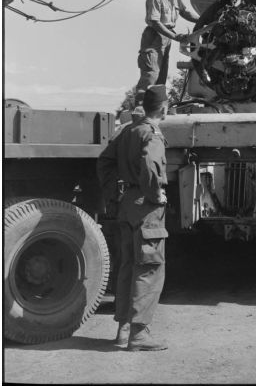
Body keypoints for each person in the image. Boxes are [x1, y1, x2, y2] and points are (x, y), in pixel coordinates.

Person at [97, 85, 170, 351]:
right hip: (145, 208)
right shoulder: (152, 134)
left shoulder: (127, 130)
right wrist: (155, 194)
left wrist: (113, 197)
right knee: (148, 268)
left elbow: (104, 162)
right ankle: (139, 335)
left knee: (128, 265)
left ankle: (123, 329)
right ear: (163, 108)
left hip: (127, 203)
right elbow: (151, 165)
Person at [135, 0, 199, 106]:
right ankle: (139, 110)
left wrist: (203, 20)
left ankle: (156, 109)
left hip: (167, 38)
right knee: (151, 75)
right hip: (154, 37)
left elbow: (185, 12)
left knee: (161, 77)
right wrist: (175, 36)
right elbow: (155, 22)